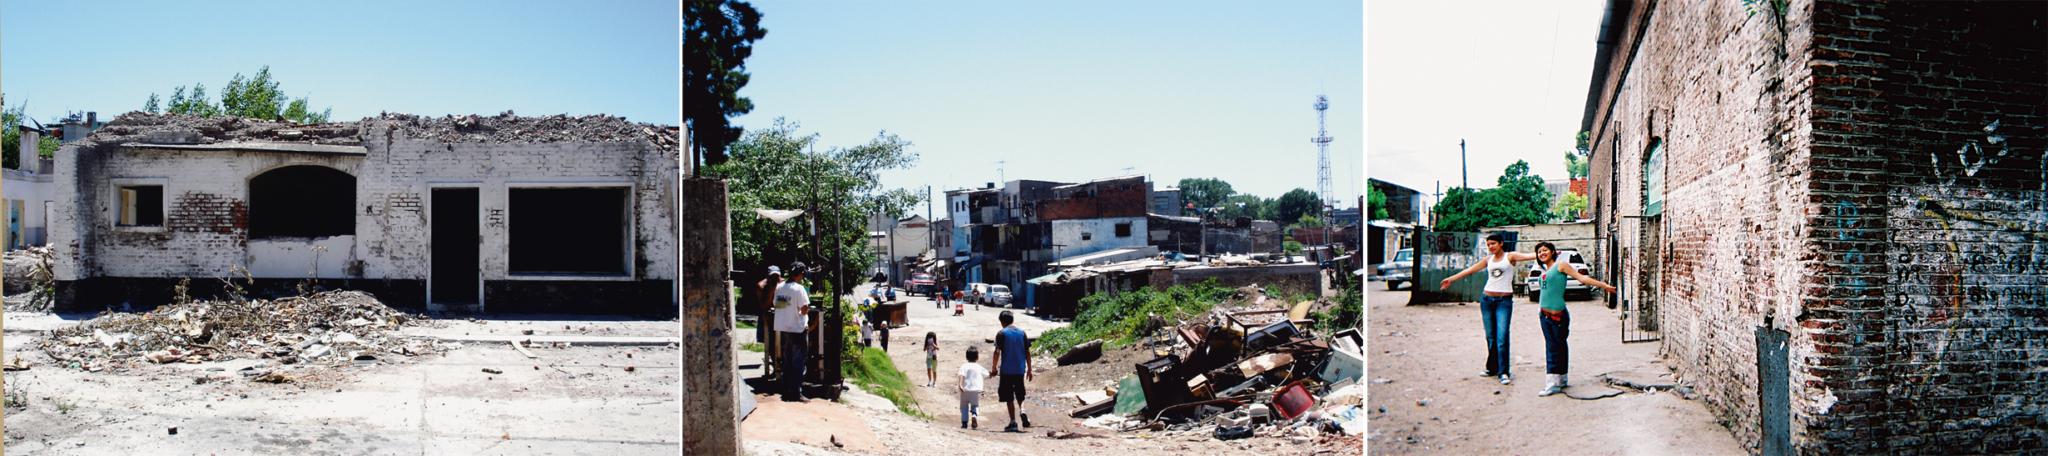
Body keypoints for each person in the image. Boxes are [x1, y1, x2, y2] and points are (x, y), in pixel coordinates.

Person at [1438, 233, 1539, 385]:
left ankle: (1504, 372)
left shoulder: (1510, 257)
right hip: (1486, 300)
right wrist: (1451, 279)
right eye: (1488, 244)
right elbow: (1470, 270)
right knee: (1490, 336)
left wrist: (1546, 252)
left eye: (1493, 243)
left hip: (1503, 301)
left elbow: (1530, 256)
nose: (1491, 247)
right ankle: (1492, 368)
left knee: (1502, 337)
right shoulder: (1488, 260)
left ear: (1501, 243)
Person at [1531, 242, 1617, 397]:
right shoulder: (1544, 270)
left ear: (1553, 252)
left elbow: (1582, 278)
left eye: (1545, 250)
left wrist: (1604, 285)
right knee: (1556, 346)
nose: (1542, 253)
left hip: (1558, 316)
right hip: (1544, 315)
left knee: (1555, 347)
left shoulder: (1561, 265)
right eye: (1539, 252)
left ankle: (1552, 383)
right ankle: (1561, 379)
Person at [773, 262, 813, 402]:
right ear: (801, 273)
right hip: (798, 328)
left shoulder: (780, 287)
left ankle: (786, 388)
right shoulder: (799, 289)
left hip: (786, 328)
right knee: (799, 361)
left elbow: (778, 305)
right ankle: (796, 392)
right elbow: (804, 309)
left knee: (788, 360)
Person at [990, 310, 1033, 432]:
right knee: (1020, 393)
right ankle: (1023, 410)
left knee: (1009, 397)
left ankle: (1013, 422)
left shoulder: (1001, 333)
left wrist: (994, 367)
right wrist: (1029, 369)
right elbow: (1028, 352)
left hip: (1007, 371)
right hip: (1020, 370)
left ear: (1002, 322)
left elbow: (997, 351)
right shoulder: (1022, 333)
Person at [757, 266, 783, 380]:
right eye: (772, 276)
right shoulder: (761, 286)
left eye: (776, 276)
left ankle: (782, 368)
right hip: (767, 315)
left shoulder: (783, 284)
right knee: (771, 344)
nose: (775, 278)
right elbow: (765, 305)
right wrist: (771, 290)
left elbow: (783, 303)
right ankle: (775, 367)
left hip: (781, 314)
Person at [958, 346, 989, 429]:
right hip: (975, 390)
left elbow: (961, 374)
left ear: (966, 357)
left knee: (964, 407)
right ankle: (974, 414)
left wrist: (960, 384)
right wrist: (993, 373)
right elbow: (988, 374)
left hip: (965, 389)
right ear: (977, 357)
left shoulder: (964, 366)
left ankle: (964, 423)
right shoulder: (978, 366)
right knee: (975, 405)